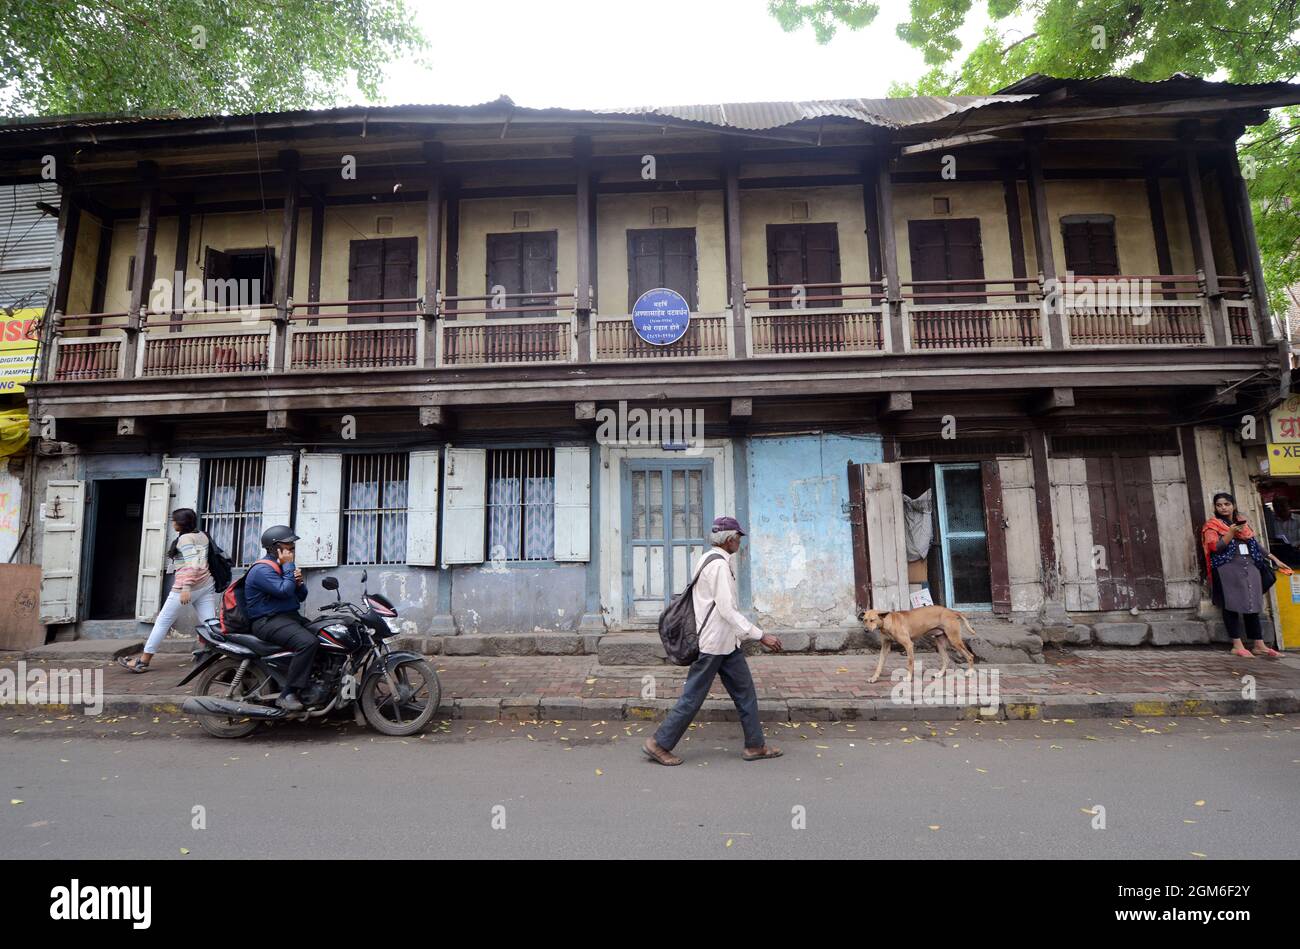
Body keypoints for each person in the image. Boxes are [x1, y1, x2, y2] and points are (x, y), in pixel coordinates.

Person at [642, 516, 784, 766]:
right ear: (729, 540)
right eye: (738, 538)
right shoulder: (718, 565)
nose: (739, 542)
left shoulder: (707, 559)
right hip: (713, 644)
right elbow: (727, 610)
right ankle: (659, 743)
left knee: (745, 693)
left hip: (727, 644)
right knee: (693, 697)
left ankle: (755, 745)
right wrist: (761, 635)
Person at [119, 508, 218, 673]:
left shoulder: (185, 539)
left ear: (181, 523)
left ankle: (143, 661)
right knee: (211, 622)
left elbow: (192, 564)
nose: (173, 523)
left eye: (174, 520)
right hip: (205, 584)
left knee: (162, 623)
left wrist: (186, 587)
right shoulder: (202, 535)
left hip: (186, 587)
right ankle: (219, 654)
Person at [1201, 493, 1284, 659]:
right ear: (1215, 508)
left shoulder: (1243, 524)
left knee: (1252, 604)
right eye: (1219, 505)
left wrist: (1275, 559)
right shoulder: (1212, 525)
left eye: (1227, 504)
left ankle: (1259, 644)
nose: (1223, 507)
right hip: (1227, 569)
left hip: (1250, 568)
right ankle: (1236, 645)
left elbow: (1255, 545)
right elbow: (1215, 547)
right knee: (1231, 604)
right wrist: (1230, 532)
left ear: (1233, 505)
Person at [246, 525, 315, 711]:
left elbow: (299, 597)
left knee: (325, 633)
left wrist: (299, 584)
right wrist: (288, 568)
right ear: (275, 547)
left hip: (288, 617)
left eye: (293, 546)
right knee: (307, 642)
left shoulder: (280, 567)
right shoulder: (262, 569)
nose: (292, 550)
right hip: (267, 621)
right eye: (288, 546)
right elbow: (283, 591)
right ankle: (287, 693)